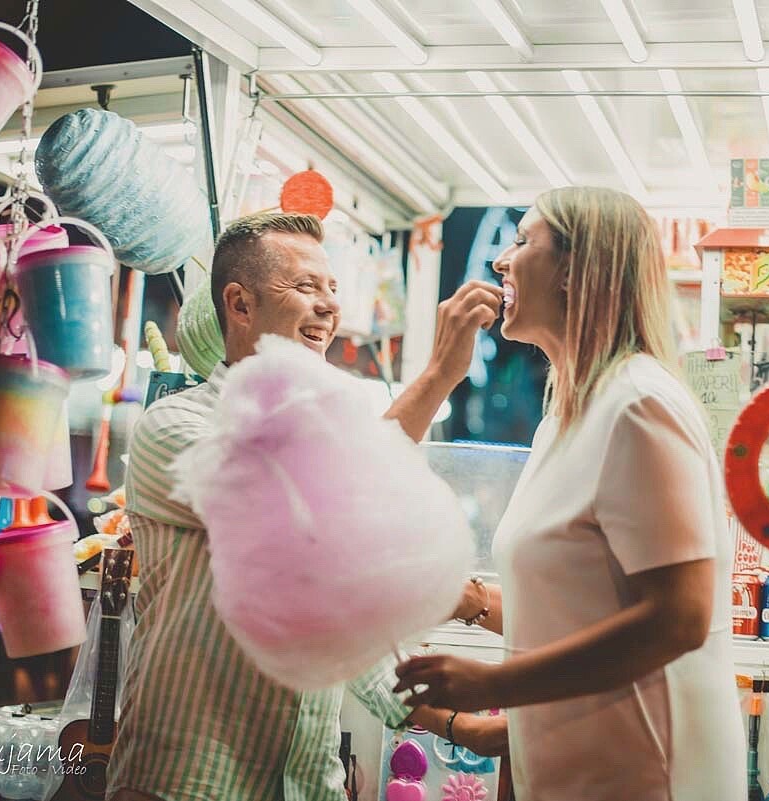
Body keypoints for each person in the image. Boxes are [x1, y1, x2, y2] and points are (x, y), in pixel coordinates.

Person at [107, 212, 507, 801]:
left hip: (307, 783)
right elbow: (322, 520)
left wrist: (456, 723)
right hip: (189, 779)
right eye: (305, 287)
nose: (328, 307)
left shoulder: (327, 435)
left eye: (332, 289)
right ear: (240, 305)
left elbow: (340, 617)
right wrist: (442, 374)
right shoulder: (177, 427)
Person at [393, 187, 746, 801]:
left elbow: (679, 617)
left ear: (574, 272)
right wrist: (468, 600)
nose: (502, 262)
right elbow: (584, 604)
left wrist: (492, 685)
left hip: (647, 777)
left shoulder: (638, 403)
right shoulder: (565, 414)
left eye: (524, 242)